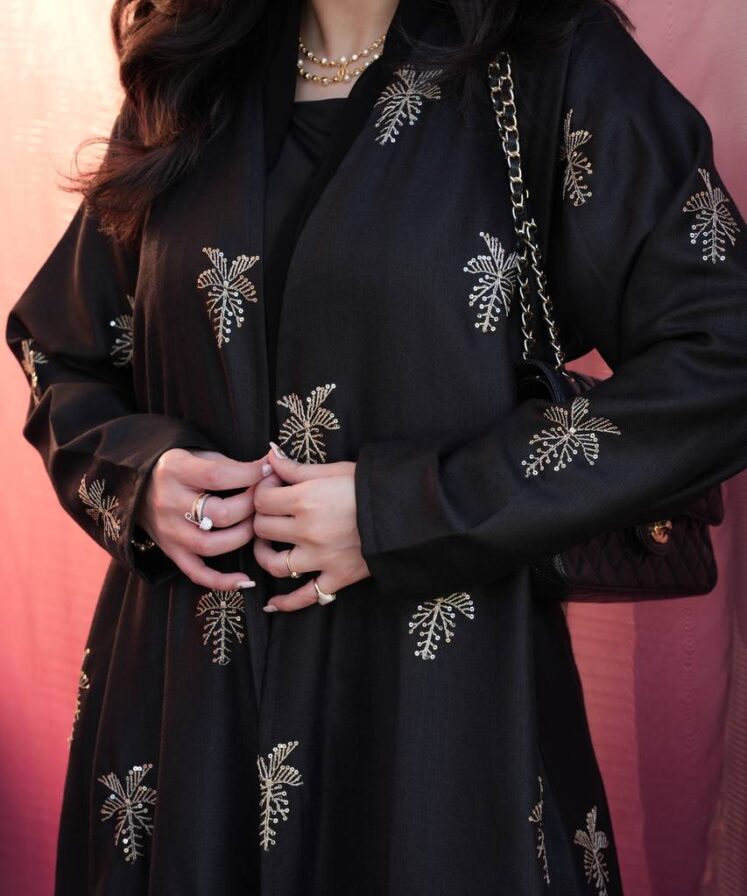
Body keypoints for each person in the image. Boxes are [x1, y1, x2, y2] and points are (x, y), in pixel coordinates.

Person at [6, 0, 747, 892]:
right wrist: (141, 475)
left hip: (436, 717)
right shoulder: (196, 67)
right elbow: (62, 347)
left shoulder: (551, 60)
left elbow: (724, 358)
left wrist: (405, 509)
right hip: (184, 720)